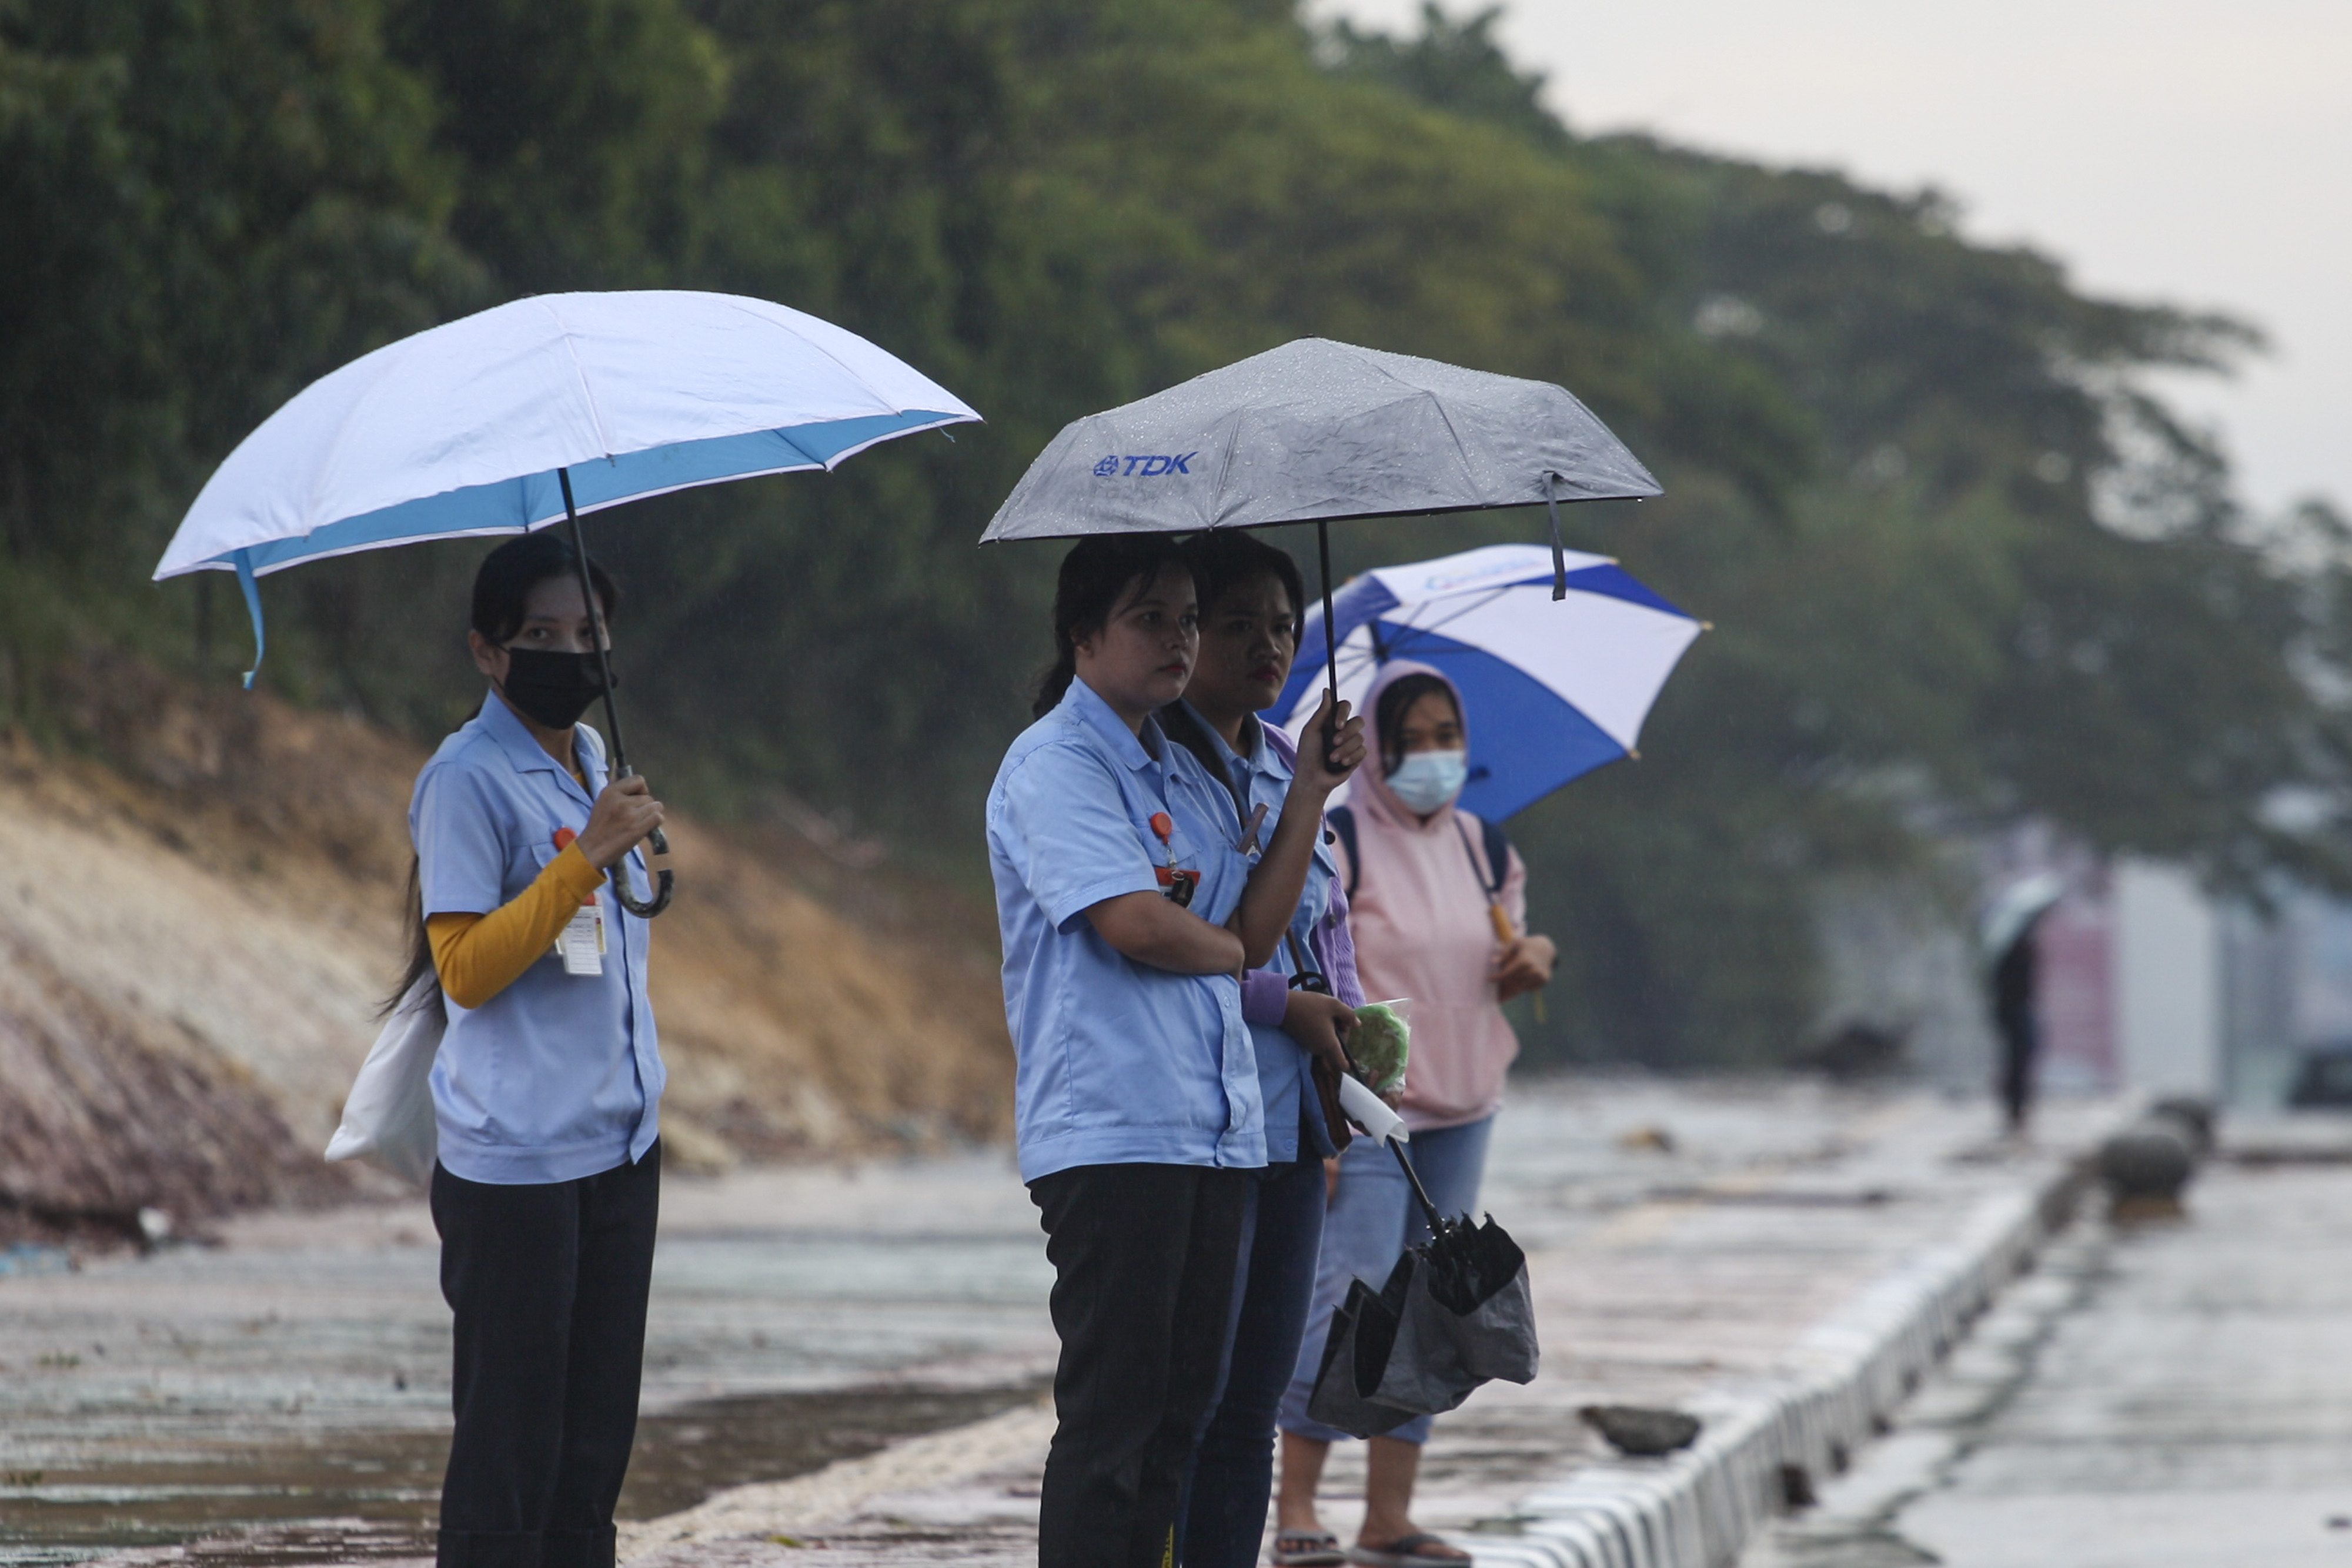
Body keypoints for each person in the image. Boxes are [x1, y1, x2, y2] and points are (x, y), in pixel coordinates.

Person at [986, 534, 1363, 1568]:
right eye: (1152, 618)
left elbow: (1256, 925)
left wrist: (1307, 792)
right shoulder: (1057, 764)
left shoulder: (1179, 771)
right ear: (1083, 634)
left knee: (1184, 1423)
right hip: (1118, 1127)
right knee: (1115, 1425)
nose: (1180, 640)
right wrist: (1229, 947)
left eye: (1188, 620)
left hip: (1216, 1130)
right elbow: (1138, 925)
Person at [396, 531, 669, 1568]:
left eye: (589, 633)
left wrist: (617, 845)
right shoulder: (463, 780)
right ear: (487, 651)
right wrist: (588, 856)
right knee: (510, 1451)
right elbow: (464, 966)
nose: (571, 654)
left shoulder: (596, 760)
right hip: (518, 1164)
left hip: (620, 1147)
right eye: (542, 636)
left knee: (592, 1453)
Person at [1273, 660, 1556, 1568]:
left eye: (1447, 737)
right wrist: (1321, 1122)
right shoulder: (1342, 838)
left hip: (1466, 1104)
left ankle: (1388, 1516)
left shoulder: (1487, 849)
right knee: (1345, 1299)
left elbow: (1505, 953)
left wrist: (1535, 956)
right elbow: (1311, 957)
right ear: (1377, 750)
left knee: (1438, 1305)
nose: (1433, 756)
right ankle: (1296, 1506)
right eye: (1410, 740)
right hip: (1368, 1109)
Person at [1158, 531, 1364, 1568]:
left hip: (1291, 1126)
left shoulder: (1292, 763)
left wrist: (1352, 1038)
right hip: (1202, 1123)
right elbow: (1179, 952)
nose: (1267, 647)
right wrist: (1284, 1006)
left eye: (1283, 626)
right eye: (1236, 624)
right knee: (1185, 1406)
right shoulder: (1156, 770)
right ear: (1188, 634)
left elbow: (1328, 926)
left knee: (1253, 1407)